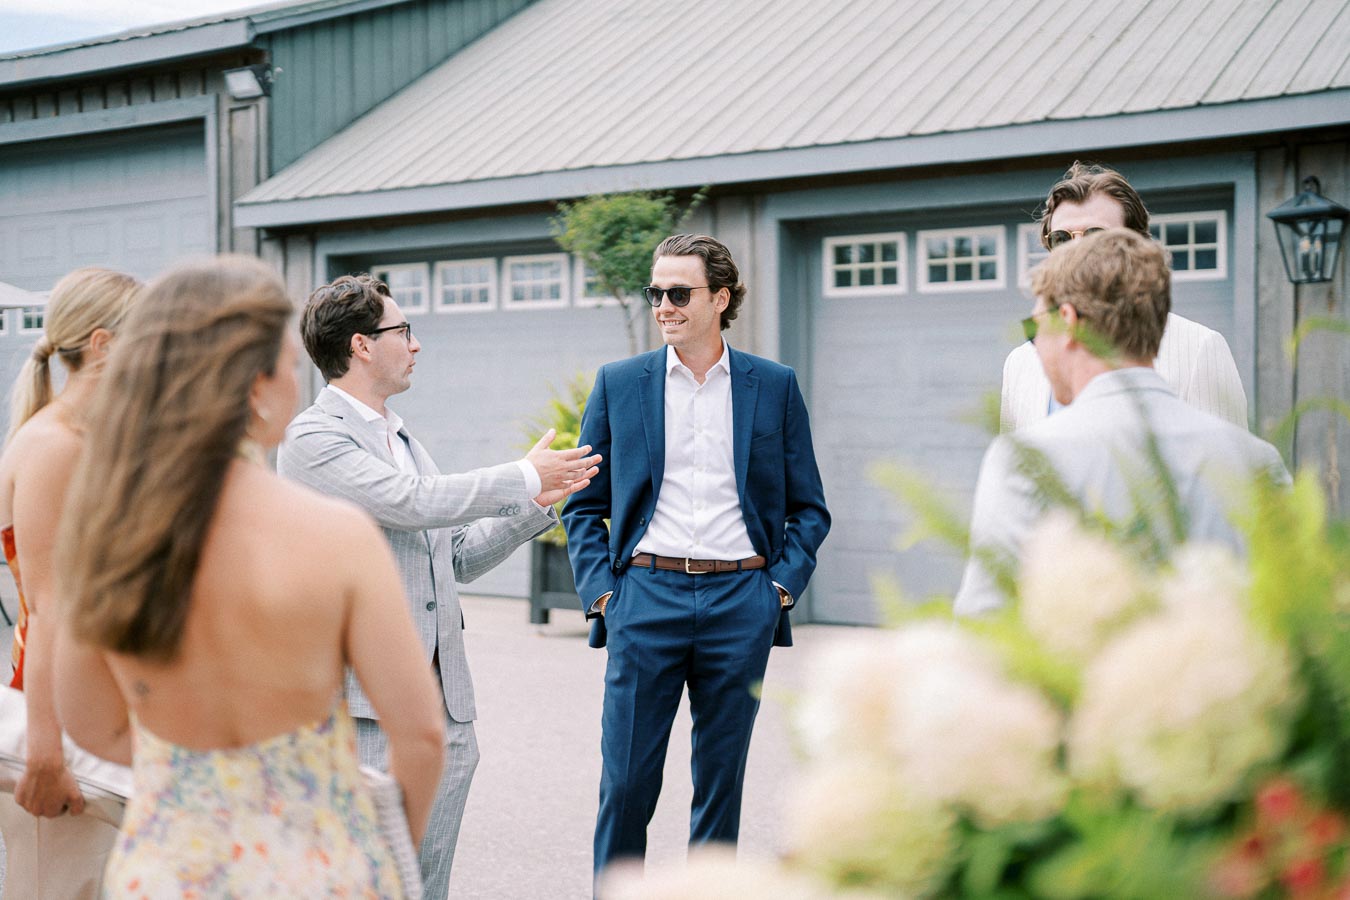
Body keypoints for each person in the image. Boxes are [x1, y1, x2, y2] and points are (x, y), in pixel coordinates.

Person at [51, 256, 445, 897]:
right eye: (291, 365)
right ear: (258, 386)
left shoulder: (103, 536)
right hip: (318, 867)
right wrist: (376, 855)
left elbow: (91, 723)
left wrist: (193, 770)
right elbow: (422, 736)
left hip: (168, 870)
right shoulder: (337, 535)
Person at [277, 273, 601, 897]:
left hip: (444, 707)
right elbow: (411, 503)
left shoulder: (403, 440)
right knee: (368, 882)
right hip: (361, 713)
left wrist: (539, 506)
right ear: (363, 345)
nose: (417, 344)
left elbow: (454, 560)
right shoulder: (314, 439)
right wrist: (521, 475)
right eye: (404, 330)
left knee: (427, 884)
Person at [562, 233, 830, 879]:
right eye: (656, 293)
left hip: (742, 602)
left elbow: (810, 509)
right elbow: (581, 504)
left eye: (679, 293)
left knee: (719, 788)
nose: (663, 306)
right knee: (625, 785)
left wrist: (778, 592)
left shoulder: (774, 386)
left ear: (721, 297)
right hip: (643, 598)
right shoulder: (620, 385)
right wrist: (604, 595)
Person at [955, 230, 1288, 616]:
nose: (1034, 346)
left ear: (1068, 322)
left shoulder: (1025, 461)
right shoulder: (1260, 461)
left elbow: (986, 618)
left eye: (1034, 329)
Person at [0, 268, 141, 899]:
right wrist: (46, 757)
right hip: (63, 728)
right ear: (106, 345)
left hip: (107, 716)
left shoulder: (89, 442)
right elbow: (50, 609)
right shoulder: (52, 446)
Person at [1001, 162, 1248, 431]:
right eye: (1062, 239)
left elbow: (1233, 466)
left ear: (1135, 246)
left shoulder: (1200, 348)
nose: (1077, 252)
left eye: (1096, 237)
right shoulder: (1021, 362)